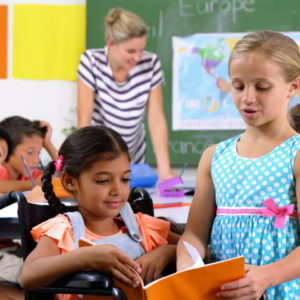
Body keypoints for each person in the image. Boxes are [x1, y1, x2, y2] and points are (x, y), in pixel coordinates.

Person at [176, 30, 300, 299]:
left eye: (262, 87)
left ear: (293, 86)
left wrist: (266, 277)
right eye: (238, 86)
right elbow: (194, 236)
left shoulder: (297, 155)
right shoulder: (214, 157)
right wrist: (188, 264)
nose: (248, 98)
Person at [20, 126, 179, 300]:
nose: (117, 190)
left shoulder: (143, 228)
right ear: (69, 181)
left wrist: (167, 252)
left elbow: (201, 251)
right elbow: (28, 276)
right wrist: (84, 257)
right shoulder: (64, 230)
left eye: (125, 179)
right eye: (103, 181)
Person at [76, 7, 175, 181]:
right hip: (99, 156)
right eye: (131, 51)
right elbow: (84, 120)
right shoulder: (91, 61)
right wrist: (82, 167)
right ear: (111, 44)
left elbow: (156, 119)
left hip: (134, 159)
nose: (138, 57)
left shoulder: (150, 63)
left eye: (141, 50)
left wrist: (165, 171)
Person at [0, 116, 57, 193]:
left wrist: (48, 144)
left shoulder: (31, 174)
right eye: (29, 152)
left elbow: (66, 171)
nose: (36, 160)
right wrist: (33, 184)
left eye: (39, 152)